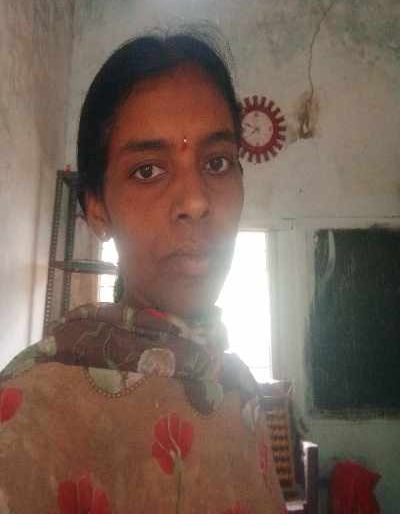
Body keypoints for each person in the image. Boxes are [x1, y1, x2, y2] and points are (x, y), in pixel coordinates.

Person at [0, 29, 286, 514]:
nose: (196, 201)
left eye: (218, 162)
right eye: (148, 170)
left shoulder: (240, 395)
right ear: (97, 210)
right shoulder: (26, 417)